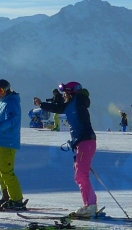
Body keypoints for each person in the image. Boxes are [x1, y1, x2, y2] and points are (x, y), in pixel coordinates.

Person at [36, 81, 99, 218]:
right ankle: (90, 205)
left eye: (65, 93)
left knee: (81, 175)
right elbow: (60, 107)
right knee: (80, 174)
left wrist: (44, 104)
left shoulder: (77, 102)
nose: (63, 95)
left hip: (85, 142)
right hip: (83, 143)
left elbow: (61, 106)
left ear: (71, 94)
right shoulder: (75, 103)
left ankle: (90, 206)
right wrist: (42, 104)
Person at [0, 79, 26, 211]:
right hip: (0, 141)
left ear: (7, 90)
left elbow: (12, 121)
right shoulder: (4, 102)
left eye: (0, 91)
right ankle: (6, 196)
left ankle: (17, 200)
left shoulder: (11, 103)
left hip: (8, 142)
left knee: (6, 171)